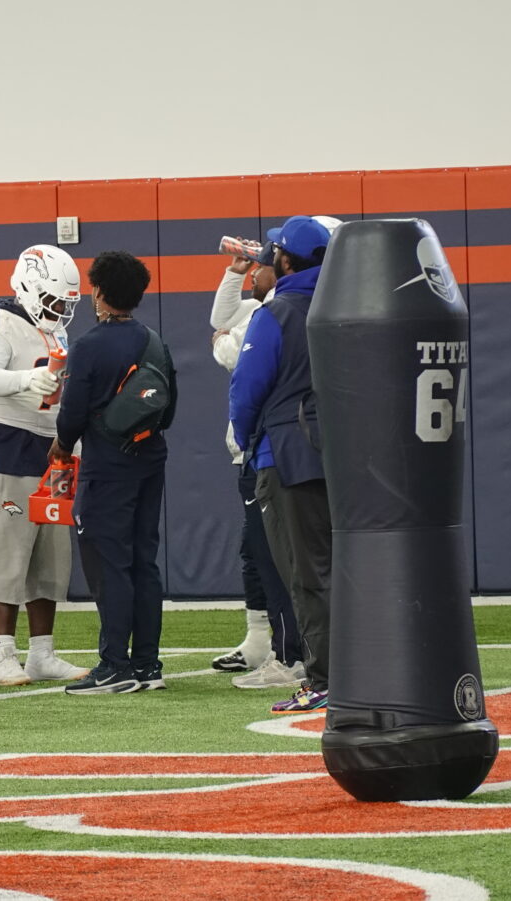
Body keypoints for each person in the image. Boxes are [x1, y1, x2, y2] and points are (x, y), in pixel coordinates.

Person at [51, 251, 177, 695]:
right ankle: (147, 664)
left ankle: (114, 665)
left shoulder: (88, 345)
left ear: (100, 292)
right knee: (143, 560)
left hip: (106, 465)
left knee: (109, 564)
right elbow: (168, 406)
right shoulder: (153, 339)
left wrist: (63, 447)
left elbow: (72, 413)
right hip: (149, 457)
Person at [229, 215, 335, 714]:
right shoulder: (343, 307)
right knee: (340, 571)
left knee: (304, 574)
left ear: (286, 259)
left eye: (273, 253)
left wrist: (248, 438)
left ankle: (323, 678)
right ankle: (357, 670)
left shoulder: (278, 313)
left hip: (288, 457)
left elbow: (246, 391)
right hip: (347, 457)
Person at [0, 245, 89, 686]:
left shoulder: (54, 332)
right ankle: (3, 652)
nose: (61, 310)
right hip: (8, 448)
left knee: (51, 558)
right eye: (56, 300)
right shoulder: (0, 323)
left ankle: (42, 652)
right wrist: (24, 379)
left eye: (66, 303)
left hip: (55, 456)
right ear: (30, 287)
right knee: (7, 555)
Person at [209, 238, 305, 690]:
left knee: (278, 558)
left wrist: (226, 345)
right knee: (258, 553)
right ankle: (268, 643)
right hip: (268, 451)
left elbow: (242, 363)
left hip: (268, 451)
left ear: (283, 266)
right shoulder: (273, 305)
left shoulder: (279, 311)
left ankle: (290, 656)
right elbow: (220, 322)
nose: (254, 273)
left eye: (260, 266)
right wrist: (233, 272)